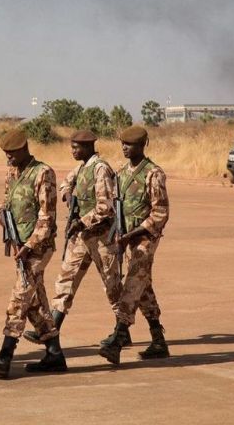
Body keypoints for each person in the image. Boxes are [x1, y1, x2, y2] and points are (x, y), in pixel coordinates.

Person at [24, 130, 120, 344]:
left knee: (112, 285)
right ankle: (51, 330)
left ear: (87, 147)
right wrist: (68, 195)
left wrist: (81, 221)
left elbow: (105, 207)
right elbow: (65, 183)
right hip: (81, 237)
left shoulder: (100, 168)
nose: (72, 151)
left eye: (76, 147)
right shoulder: (81, 168)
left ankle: (122, 330)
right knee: (65, 281)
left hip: (102, 237)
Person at [0, 129, 67, 378]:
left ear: (24, 149)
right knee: (35, 303)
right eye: (5, 153)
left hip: (38, 247)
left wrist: (29, 245)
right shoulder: (12, 172)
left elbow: (47, 217)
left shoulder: (43, 173)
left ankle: (5, 354)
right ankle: (54, 353)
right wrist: (1, 214)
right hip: (19, 245)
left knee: (20, 297)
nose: (8, 157)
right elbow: (6, 201)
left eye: (11, 152)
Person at [98, 126, 171, 365]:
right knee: (143, 287)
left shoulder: (153, 174)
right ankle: (158, 340)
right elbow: (116, 207)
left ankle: (119, 336)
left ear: (142, 145)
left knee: (132, 284)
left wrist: (133, 233)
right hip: (126, 239)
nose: (125, 148)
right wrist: (118, 233)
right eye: (123, 144)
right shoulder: (120, 174)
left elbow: (160, 212)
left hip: (145, 239)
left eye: (130, 145)